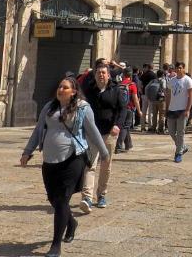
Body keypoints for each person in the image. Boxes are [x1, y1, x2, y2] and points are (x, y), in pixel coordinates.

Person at [21, 76, 110, 257]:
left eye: (65, 87)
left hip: (73, 159)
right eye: (59, 86)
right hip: (50, 159)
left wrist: (105, 154)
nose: (60, 89)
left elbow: (92, 131)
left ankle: (55, 246)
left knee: (62, 200)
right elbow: (38, 129)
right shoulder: (49, 107)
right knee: (54, 200)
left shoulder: (83, 108)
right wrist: (28, 151)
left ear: (74, 91)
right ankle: (71, 223)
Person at [80, 63, 126, 211]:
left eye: (103, 73)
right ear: (95, 75)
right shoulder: (89, 91)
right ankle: (87, 197)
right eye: (98, 72)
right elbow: (81, 109)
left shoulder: (116, 90)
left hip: (109, 133)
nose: (101, 75)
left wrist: (117, 125)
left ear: (108, 75)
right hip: (92, 133)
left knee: (106, 166)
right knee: (90, 164)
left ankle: (101, 195)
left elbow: (123, 110)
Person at [166, 62, 192, 162]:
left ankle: (178, 153)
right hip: (172, 109)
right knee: (171, 131)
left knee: (180, 133)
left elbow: (191, 96)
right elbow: (168, 94)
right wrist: (167, 107)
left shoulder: (188, 80)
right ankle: (183, 146)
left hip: (182, 110)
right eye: (177, 68)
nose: (178, 70)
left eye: (180, 68)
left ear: (183, 69)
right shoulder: (172, 80)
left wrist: (188, 109)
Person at [144, 69, 167, 135]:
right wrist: (166, 97)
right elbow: (165, 89)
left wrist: (148, 96)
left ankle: (153, 128)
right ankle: (160, 129)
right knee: (161, 115)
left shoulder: (153, 81)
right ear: (163, 75)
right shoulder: (163, 80)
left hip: (153, 100)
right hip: (161, 100)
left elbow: (146, 88)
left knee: (154, 115)